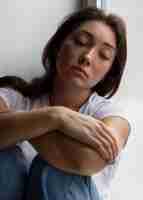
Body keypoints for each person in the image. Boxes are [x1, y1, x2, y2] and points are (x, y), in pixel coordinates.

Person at [0, 7, 131, 200]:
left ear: (109, 72)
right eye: (81, 42)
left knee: (54, 169)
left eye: (103, 55)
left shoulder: (110, 114)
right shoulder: (14, 97)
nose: (87, 57)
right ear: (58, 45)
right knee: (5, 156)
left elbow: (86, 160)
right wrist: (57, 117)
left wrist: (18, 127)